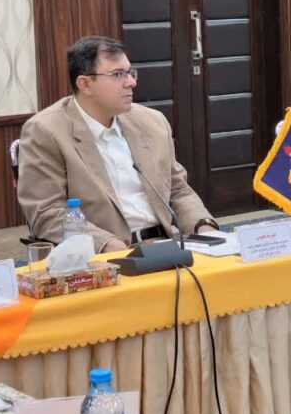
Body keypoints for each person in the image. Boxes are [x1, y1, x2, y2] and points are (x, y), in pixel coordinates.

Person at [18, 36, 217, 252]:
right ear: (85, 84)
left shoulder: (152, 121)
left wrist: (203, 225)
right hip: (105, 254)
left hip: (167, 244)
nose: (131, 82)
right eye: (118, 74)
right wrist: (106, 244)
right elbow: (46, 212)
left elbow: (177, 189)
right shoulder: (46, 131)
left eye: (130, 72)